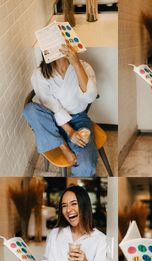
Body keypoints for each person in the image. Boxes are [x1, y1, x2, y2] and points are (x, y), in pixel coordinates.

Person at [23, 43, 98, 177]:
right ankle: (63, 146)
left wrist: (76, 64)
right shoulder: (39, 74)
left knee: (86, 165)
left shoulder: (84, 67)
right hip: (49, 121)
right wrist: (69, 132)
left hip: (78, 119)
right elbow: (52, 107)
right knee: (30, 110)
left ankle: (63, 146)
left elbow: (90, 97)